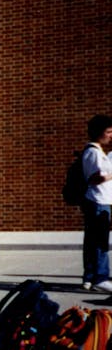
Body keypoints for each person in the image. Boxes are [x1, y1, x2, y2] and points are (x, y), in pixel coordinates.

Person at [80, 114, 112, 292]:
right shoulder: (93, 152)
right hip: (97, 201)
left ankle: (90, 277)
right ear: (99, 133)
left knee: (93, 241)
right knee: (100, 241)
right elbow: (95, 178)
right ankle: (101, 277)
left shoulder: (97, 151)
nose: (111, 135)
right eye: (108, 132)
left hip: (98, 201)